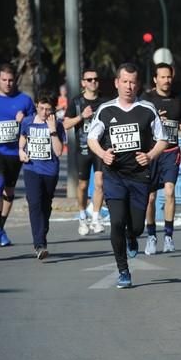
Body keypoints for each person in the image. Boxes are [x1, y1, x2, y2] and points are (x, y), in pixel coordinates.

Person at [87, 62, 168, 288]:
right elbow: (92, 139)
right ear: (116, 83)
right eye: (124, 82)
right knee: (117, 222)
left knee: (136, 227)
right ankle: (123, 271)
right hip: (114, 175)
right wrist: (103, 154)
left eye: (132, 82)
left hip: (139, 176)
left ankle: (132, 238)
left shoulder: (147, 109)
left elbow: (163, 139)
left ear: (138, 84)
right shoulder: (105, 110)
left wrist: (150, 156)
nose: (128, 86)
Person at [141, 63, 181, 255]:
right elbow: (140, 124)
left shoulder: (178, 97)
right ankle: (151, 236)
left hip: (171, 151)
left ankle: (168, 236)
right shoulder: (146, 99)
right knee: (150, 197)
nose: (166, 80)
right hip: (151, 153)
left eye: (169, 77)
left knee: (169, 191)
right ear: (155, 79)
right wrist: (154, 120)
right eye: (162, 77)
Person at [18, 95, 66, 260]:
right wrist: (21, 151)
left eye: (48, 109)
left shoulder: (57, 125)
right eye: (42, 108)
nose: (45, 112)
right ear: (36, 107)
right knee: (34, 204)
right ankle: (39, 244)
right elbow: (23, 136)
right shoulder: (27, 122)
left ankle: (42, 233)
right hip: (31, 168)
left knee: (45, 206)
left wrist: (52, 130)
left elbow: (59, 151)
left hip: (50, 171)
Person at [63, 67, 109, 236]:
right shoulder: (76, 102)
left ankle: (96, 218)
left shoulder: (105, 103)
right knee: (82, 185)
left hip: (100, 148)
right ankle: (83, 217)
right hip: (83, 148)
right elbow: (65, 124)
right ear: (83, 83)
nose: (93, 82)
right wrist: (82, 116)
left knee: (99, 182)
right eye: (89, 79)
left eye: (95, 79)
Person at [0, 63, 36, 246]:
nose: (7, 83)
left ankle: (0, 228)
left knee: (9, 190)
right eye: (4, 80)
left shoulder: (25, 100)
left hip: (15, 153)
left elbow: (36, 124)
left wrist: (25, 121)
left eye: (10, 80)